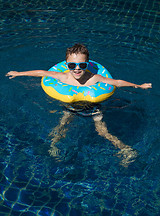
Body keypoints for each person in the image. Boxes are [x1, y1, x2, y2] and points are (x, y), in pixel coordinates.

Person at [6, 43, 152, 166]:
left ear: (87, 64)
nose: (77, 68)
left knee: (103, 132)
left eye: (82, 65)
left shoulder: (94, 78)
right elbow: (41, 73)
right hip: (70, 107)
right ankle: (53, 147)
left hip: (93, 108)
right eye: (72, 65)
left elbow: (117, 83)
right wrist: (19, 73)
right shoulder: (63, 77)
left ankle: (125, 149)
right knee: (61, 126)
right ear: (66, 64)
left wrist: (139, 86)